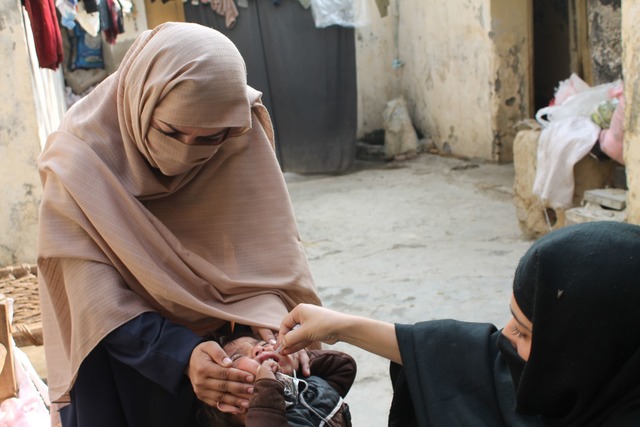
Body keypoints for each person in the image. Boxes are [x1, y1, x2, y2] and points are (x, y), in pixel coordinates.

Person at [37, 22, 321, 426]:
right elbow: (91, 298)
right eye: (170, 131)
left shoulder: (239, 139)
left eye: (209, 139)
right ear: (141, 102)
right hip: (125, 368)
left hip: (230, 373)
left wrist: (274, 327)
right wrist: (180, 354)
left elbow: (267, 257)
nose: (186, 153)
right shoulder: (79, 164)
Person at [277, 221, 640, 426]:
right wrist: (338, 327)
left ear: (595, 351)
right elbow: (458, 357)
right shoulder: (594, 383)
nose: (506, 337)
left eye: (525, 332)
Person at [200, 325, 356, 426]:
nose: (258, 350)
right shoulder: (261, 420)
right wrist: (266, 386)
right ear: (228, 401)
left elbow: (344, 366)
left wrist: (296, 361)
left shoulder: (307, 387)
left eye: (261, 345)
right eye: (237, 357)